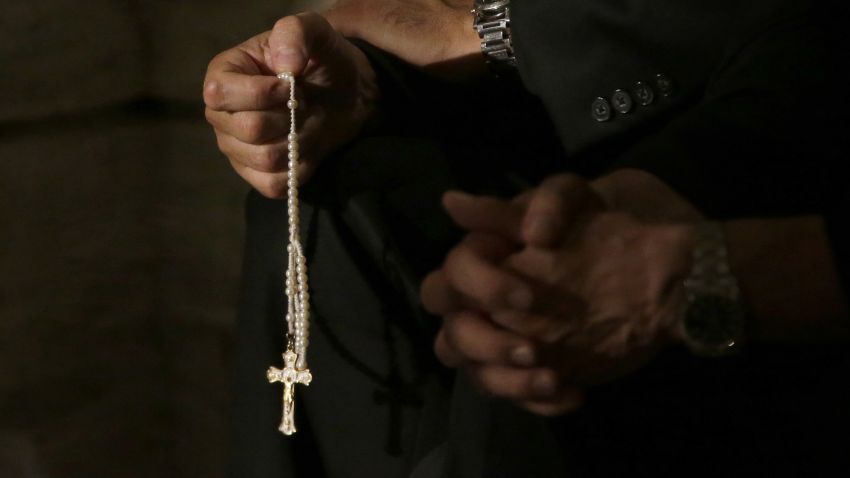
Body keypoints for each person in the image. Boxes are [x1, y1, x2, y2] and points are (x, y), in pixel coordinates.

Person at [203, 0, 849, 476]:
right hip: (626, 126)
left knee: (522, 297)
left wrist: (492, 32)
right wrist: (372, 81)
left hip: (787, 212)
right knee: (339, 186)